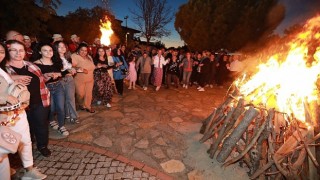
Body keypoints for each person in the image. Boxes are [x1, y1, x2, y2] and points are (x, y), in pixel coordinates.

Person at [2, 41, 49, 179]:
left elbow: (41, 81)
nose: (18, 53)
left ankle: (29, 169)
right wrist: (14, 78)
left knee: (26, 138)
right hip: (5, 113)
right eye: (13, 50)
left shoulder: (31, 65)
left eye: (21, 50)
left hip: (21, 108)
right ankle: (8, 167)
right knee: (6, 143)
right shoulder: (5, 69)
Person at [30, 43, 69, 136]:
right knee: (51, 109)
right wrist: (45, 76)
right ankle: (51, 120)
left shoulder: (56, 61)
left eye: (50, 50)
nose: (48, 52)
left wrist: (59, 74)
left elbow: (61, 73)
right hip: (46, 88)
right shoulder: (36, 64)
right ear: (40, 52)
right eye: (45, 50)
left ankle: (62, 126)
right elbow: (35, 80)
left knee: (60, 107)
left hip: (58, 85)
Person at [53, 41, 79, 124]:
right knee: (62, 99)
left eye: (63, 46)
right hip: (60, 80)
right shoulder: (54, 58)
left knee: (71, 98)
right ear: (56, 48)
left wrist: (74, 69)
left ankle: (73, 116)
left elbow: (70, 68)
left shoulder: (68, 57)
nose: (62, 48)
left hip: (70, 79)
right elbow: (57, 71)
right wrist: (68, 71)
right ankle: (66, 115)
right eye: (59, 46)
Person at [71, 43, 96, 113]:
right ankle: (81, 104)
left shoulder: (89, 57)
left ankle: (88, 106)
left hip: (90, 79)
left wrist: (98, 66)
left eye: (85, 50)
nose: (84, 52)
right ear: (78, 49)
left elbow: (93, 66)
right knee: (80, 94)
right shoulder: (74, 56)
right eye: (82, 50)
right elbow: (72, 67)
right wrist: (80, 69)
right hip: (79, 79)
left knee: (89, 94)